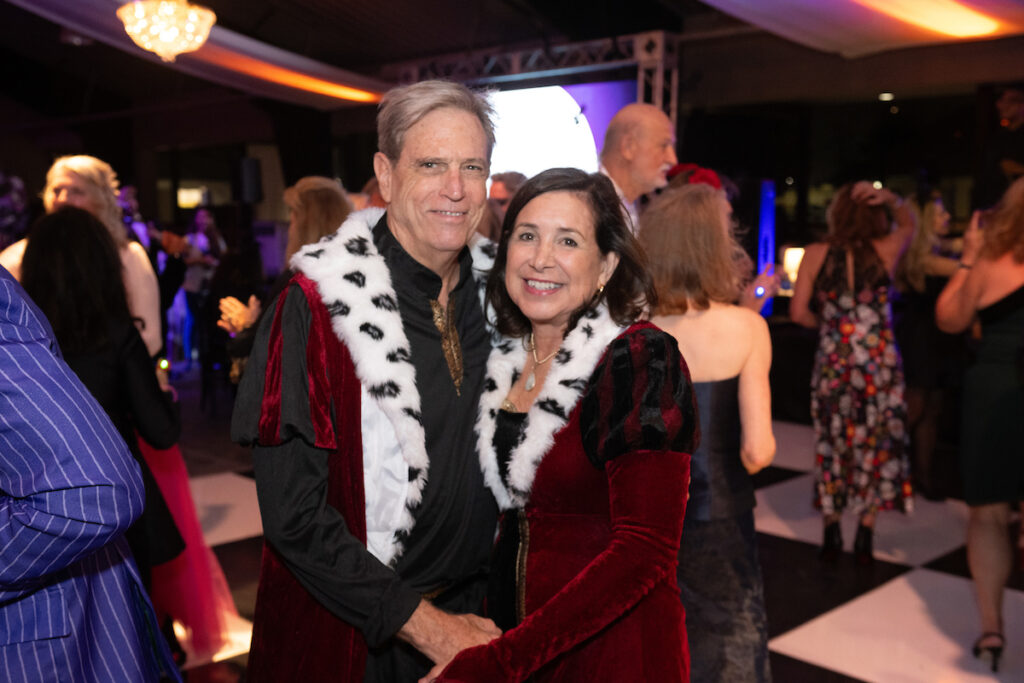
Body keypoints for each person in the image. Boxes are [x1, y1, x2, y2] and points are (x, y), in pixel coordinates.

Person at [231, 80, 501, 682]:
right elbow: (294, 518)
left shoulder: (502, 299)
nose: (455, 190)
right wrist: (432, 629)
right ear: (385, 171)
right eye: (431, 165)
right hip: (362, 638)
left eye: (472, 167)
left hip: (479, 623)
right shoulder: (318, 308)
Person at [431, 168, 697, 682]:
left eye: (568, 240)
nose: (540, 258)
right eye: (526, 235)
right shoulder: (504, 357)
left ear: (607, 265)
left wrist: (498, 663)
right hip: (514, 644)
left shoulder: (638, 358)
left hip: (610, 655)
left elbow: (646, 551)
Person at [0, 265, 181, 682]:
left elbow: (94, 490)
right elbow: (161, 428)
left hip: (78, 548)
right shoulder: (115, 331)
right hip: (91, 554)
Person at [641, 182, 775, 682]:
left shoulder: (635, 329)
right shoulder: (747, 328)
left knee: (658, 638)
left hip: (648, 518)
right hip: (720, 513)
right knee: (728, 635)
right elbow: (758, 450)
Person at [20, 206, 184, 591]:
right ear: (102, 265)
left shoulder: (20, 339)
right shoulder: (116, 334)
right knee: (126, 634)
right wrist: (165, 395)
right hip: (115, 508)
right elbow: (161, 431)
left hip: (39, 511)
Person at [790, 181, 915, 563]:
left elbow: (797, 313)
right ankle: (865, 530)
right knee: (873, 441)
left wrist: (831, 326)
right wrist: (893, 199)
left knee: (832, 440)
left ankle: (831, 525)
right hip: (877, 364)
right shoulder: (885, 248)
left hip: (834, 361)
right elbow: (910, 225)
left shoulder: (814, 253)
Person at [934, 176, 1024, 673]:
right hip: (1001, 387)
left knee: (988, 514)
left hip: (993, 390)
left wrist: (969, 256)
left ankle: (992, 629)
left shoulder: (991, 258)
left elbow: (949, 318)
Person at [0, 155, 163, 357]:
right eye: (56, 190)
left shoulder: (128, 256)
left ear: (100, 199)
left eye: (76, 191)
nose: (63, 200)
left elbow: (150, 338)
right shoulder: (18, 256)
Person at [217, 175, 353, 383]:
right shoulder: (358, 276)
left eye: (292, 220)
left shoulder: (297, 283)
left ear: (306, 225)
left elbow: (271, 357)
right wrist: (256, 324)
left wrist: (246, 328)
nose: (289, 229)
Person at [892, 193, 964, 499]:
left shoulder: (938, 250)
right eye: (939, 214)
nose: (946, 217)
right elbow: (962, 267)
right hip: (920, 341)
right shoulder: (919, 258)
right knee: (915, 408)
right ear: (924, 222)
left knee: (931, 410)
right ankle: (890, 471)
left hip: (938, 341)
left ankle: (922, 475)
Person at [599, 103, 678, 230]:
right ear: (628, 147)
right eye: (664, 146)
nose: (672, 160)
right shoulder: (592, 209)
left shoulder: (623, 208)